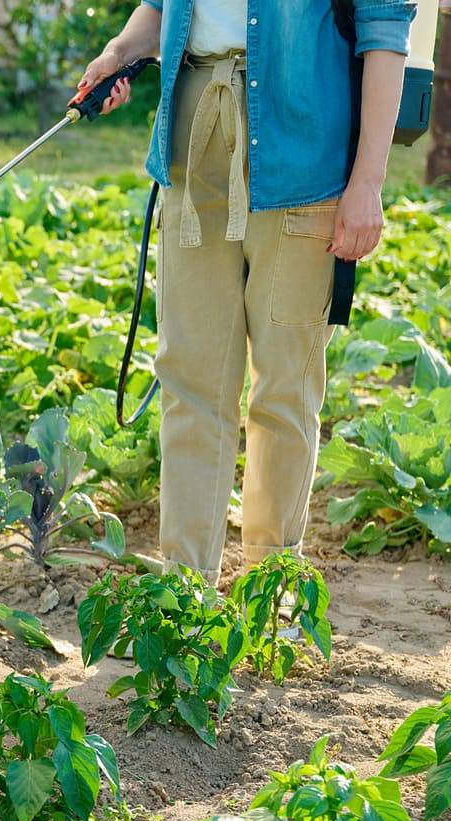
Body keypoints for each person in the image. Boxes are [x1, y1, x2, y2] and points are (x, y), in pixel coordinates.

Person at [80, 0, 414, 584]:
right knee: (190, 380)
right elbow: (161, 8)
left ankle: (270, 590)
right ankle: (183, 594)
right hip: (193, 149)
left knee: (286, 387)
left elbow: (384, 32)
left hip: (305, 155)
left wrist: (368, 183)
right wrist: (120, 53)